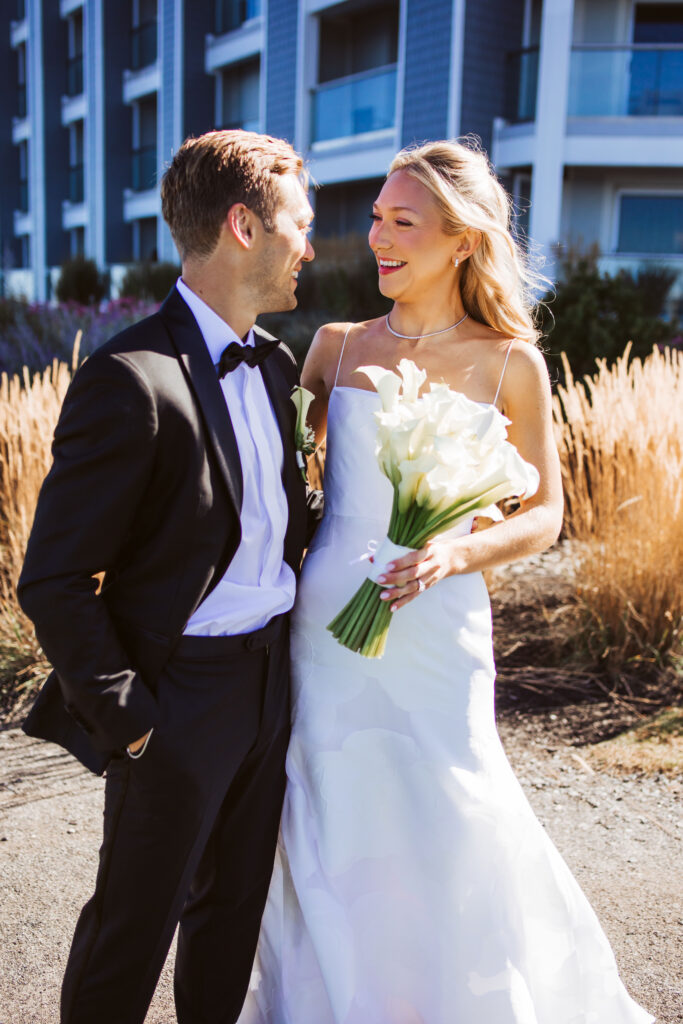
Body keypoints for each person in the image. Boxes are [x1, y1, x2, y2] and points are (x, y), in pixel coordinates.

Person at [238, 140, 654, 1023]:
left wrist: (453, 553)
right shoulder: (334, 349)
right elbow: (280, 487)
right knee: (331, 810)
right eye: (377, 218)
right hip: (328, 630)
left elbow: (544, 515)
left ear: (462, 240)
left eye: (403, 222)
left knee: (452, 805)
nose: (378, 237)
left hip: (439, 627)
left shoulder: (512, 362)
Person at [18, 129, 320, 1024]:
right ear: (242, 226)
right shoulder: (129, 377)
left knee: (231, 919)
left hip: (271, 681)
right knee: (132, 931)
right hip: (177, 699)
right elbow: (55, 577)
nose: (309, 244)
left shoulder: (273, 365)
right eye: (297, 224)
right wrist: (133, 724)